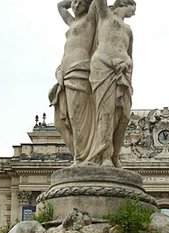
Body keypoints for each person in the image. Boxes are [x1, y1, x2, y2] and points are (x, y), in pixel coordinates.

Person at [49, 0, 97, 165]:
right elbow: (60, 6)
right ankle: (79, 154)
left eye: (80, 3)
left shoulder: (90, 20)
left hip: (80, 70)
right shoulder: (73, 22)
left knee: (77, 118)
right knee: (61, 121)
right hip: (64, 73)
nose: (75, 6)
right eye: (74, 2)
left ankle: (82, 158)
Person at [89, 0, 136, 167]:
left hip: (123, 73)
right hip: (104, 68)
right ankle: (105, 155)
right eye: (133, 8)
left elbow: (131, 54)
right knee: (106, 112)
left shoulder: (128, 30)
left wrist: (128, 67)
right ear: (125, 3)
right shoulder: (105, 16)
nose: (134, 13)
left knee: (124, 115)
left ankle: (115, 154)